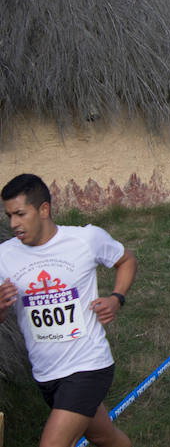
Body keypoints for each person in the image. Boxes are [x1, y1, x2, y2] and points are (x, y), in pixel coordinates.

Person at [0, 173, 137, 447]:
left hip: (88, 365)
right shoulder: (4, 255)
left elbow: (126, 260)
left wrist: (116, 298)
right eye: (8, 216)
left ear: (44, 209)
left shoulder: (85, 239)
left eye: (20, 214)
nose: (13, 223)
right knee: (102, 435)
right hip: (46, 373)